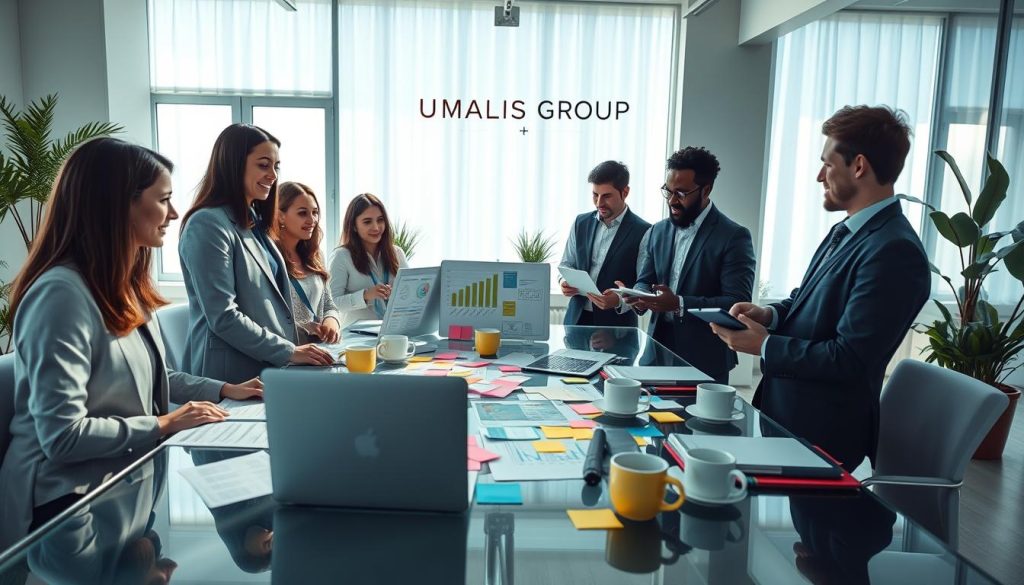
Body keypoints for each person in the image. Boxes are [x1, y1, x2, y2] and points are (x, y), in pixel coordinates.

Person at [0, 138, 260, 549]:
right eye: (164, 200)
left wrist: (225, 390)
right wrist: (163, 424)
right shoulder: (60, 295)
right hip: (62, 511)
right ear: (117, 205)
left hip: (120, 482)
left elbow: (157, 375)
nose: (174, 214)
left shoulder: (124, 287)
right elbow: (63, 436)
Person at [710, 105, 930, 472]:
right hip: (791, 424)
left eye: (827, 164)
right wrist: (770, 313)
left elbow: (850, 359)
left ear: (858, 166)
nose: (819, 176)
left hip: (823, 436)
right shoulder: (848, 230)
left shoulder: (895, 251)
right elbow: (807, 299)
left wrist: (764, 345)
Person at [179, 124, 335, 382]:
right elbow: (223, 317)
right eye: (263, 165)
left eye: (276, 166)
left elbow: (263, 309)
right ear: (234, 165)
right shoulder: (207, 224)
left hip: (267, 366)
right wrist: (290, 351)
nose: (273, 175)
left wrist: (306, 336)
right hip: (230, 374)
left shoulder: (255, 223)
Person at [599, 146, 755, 384]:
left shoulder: (733, 236)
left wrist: (679, 304)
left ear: (706, 189)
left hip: (704, 359)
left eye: (681, 193)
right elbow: (646, 279)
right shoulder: (658, 231)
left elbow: (736, 302)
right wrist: (637, 295)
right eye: (668, 191)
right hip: (655, 353)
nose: (672, 200)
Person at [558, 160, 651, 327]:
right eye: (595, 195)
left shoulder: (645, 231)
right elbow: (566, 263)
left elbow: (644, 283)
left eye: (606, 196)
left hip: (618, 328)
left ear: (625, 192)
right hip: (576, 321)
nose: (599, 203)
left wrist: (619, 300)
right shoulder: (581, 222)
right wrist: (563, 282)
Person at [272, 181, 341, 344]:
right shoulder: (269, 258)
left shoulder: (315, 255)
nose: (312, 220)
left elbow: (329, 305)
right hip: (287, 355)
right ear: (280, 216)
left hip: (319, 352)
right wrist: (305, 329)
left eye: (315, 212)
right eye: (303, 213)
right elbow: (266, 319)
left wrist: (332, 322)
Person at [328, 193, 409, 327]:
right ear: (354, 226)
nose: (376, 227)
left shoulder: (397, 253)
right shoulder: (341, 256)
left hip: (393, 331)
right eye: (367, 222)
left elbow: (410, 293)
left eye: (380, 220)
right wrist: (366, 295)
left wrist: (399, 293)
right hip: (356, 337)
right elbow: (332, 304)